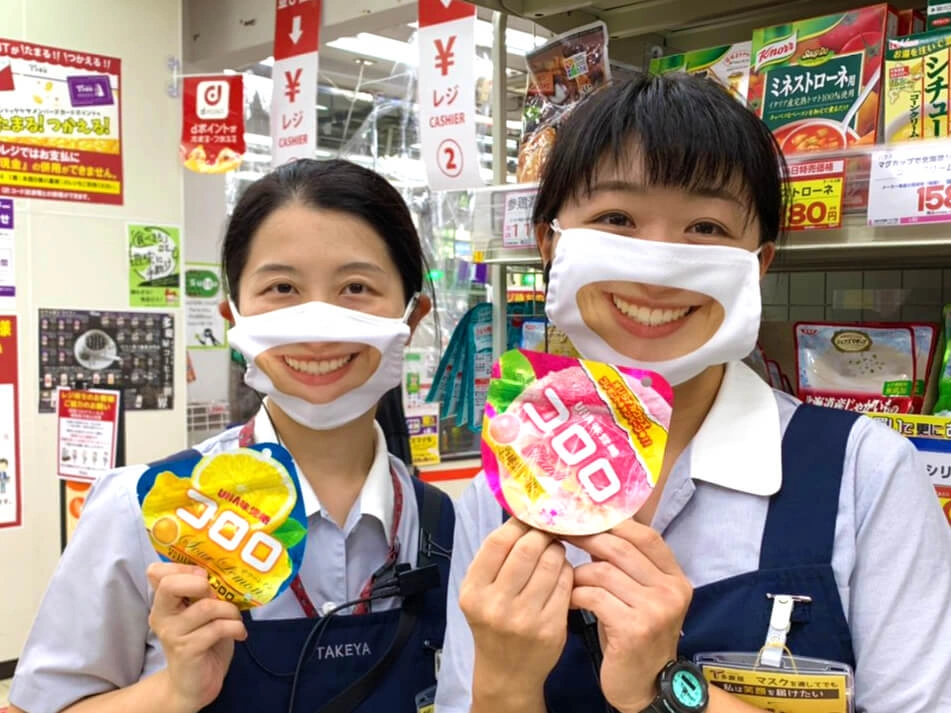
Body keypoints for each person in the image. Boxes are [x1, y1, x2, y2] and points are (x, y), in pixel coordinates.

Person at [434, 73, 951, 713]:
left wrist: (665, 688)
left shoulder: (866, 474)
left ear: (757, 266)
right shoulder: (499, 490)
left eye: (705, 227)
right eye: (616, 219)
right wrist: (506, 684)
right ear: (550, 244)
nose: (657, 270)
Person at [10, 159, 455, 713]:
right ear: (234, 318)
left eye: (356, 287)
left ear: (412, 318)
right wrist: (173, 691)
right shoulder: (145, 509)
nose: (317, 328)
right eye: (282, 288)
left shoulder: (442, 527)